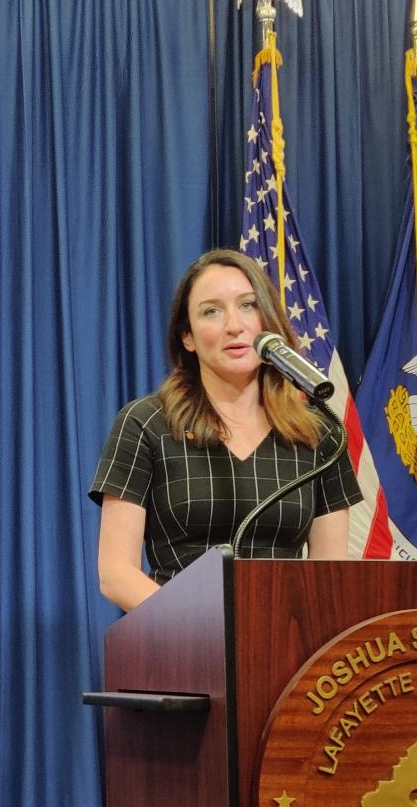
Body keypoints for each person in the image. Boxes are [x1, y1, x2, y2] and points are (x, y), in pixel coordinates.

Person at [89, 249, 362, 611]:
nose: (234, 325)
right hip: (179, 646)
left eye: (248, 306)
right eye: (212, 311)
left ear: (270, 322)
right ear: (187, 336)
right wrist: (202, 631)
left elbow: (330, 574)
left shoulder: (319, 433)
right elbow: (116, 573)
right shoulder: (146, 424)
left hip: (288, 645)